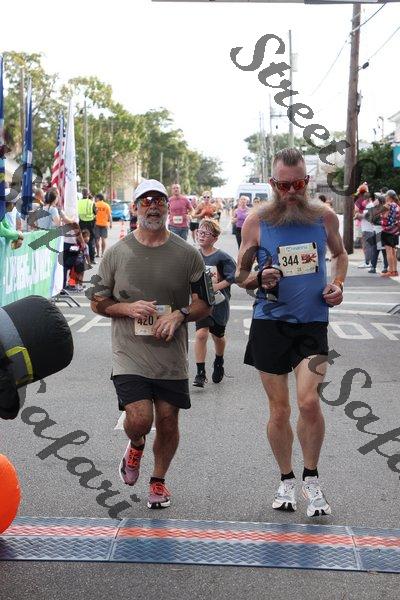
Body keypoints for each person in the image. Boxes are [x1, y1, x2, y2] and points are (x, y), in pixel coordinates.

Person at [236, 148, 348, 517]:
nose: (290, 192)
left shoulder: (323, 217)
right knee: (280, 409)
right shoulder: (257, 221)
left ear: (307, 181)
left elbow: (340, 255)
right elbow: (240, 275)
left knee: (309, 402)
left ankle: (311, 478)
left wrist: (338, 284)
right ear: (272, 184)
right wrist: (259, 278)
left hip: (312, 324)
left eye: (297, 184)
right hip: (269, 324)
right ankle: (286, 479)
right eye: (283, 185)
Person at [90, 178, 211, 509]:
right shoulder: (116, 253)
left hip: (171, 356)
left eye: (159, 200)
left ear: (168, 207)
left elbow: (205, 304)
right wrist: (127, 308)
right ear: (135, 208)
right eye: (146, 201)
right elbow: (97, 301)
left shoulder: (188, 255)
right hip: (129, 354)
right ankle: (136, 444)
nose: (153, 206)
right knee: (141, 419)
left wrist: (180, 315)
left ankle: (158, 480)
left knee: (168, 420)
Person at [193, 218, 236, 387]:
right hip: (201, 302)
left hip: (219, 303)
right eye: (200, 232)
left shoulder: (222, 257)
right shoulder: (194, 256)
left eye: (206, 233)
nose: (201, 235)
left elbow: (233, 277)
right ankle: (200, 373)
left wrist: (217, 286)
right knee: (201, 334)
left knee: (218, 336)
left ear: (215, 238)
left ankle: (219, 361)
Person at [380, 189, 400, 277]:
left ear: (388, 197)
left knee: (388, 251)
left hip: (387, 231)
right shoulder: (397, 205)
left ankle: (390, 271)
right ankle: (395, 271)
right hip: (395, 231)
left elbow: (384, 216)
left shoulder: (387, 205)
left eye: (386, 196)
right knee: (393, 251)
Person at [78, 188, 96, 265]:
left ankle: (81, 258)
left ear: (82, 193)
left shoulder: (78, 202)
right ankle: (91, 259)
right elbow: (95, 212)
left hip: (81, 222)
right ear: (88, 194)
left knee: (81, 239)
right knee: (91, 240)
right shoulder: (91, 202)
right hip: (90, 223)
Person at [94, 193, 112, 258]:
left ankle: (98, 253)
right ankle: (102, 253)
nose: (95, 199)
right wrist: (111, 224)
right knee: (103, 239)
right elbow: (109, 215)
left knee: (97, 239)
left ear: (98, 198)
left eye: (96, 198)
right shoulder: (106, 205)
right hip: (104, 224)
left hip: (96, 224)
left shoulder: (95, 205)